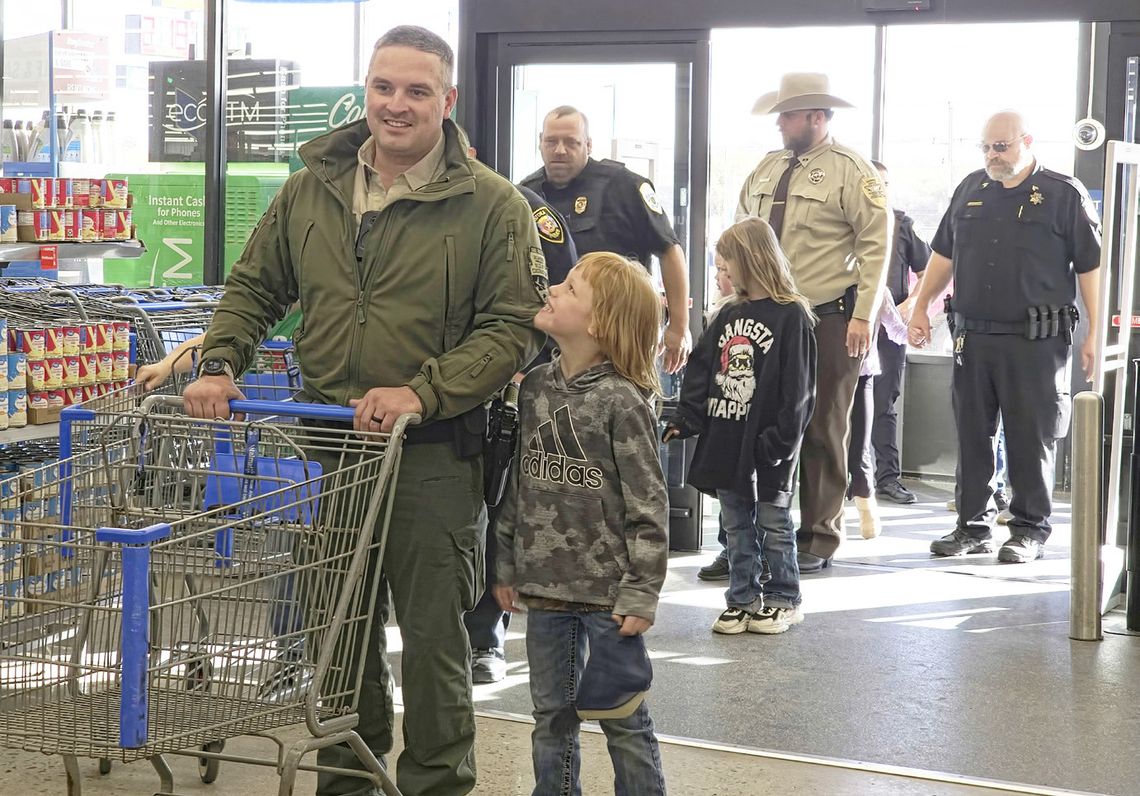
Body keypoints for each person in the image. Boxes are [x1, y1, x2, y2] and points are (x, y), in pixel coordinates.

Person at [182, 25, 546, 796]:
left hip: (435, 453)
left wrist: (424, 390)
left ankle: (437, 783)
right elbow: (254, 288)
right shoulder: (312, 186)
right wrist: (220, 364)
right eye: (384, 87)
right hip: (332, 446)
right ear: (367, 92)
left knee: (433, 642)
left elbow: (514, 329)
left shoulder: (493, 206)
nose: (397, 105)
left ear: (446, 103)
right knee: (337, 634)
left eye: (418, 91)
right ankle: (350, 779)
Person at [493, 252, 669, 795]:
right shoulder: (535, 387)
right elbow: (518, 485)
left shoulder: (622, 400)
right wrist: (504, 564)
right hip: (544, 588)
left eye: (569, 289)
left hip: (607, 596)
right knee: (551, 719)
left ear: (598, 323)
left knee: (623, 720)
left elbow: (649, 504)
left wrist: (641, 592)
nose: (552, 291)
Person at [909, 110, 1101, 564]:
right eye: (987, 148)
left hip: (1036, 341)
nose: (993, 156)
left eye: (1002, 147)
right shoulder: (970, 190)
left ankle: (1029, 528)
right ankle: (972, 526)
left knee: (1028, 436)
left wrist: (1093, 333)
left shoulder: (1062, 194)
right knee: (973, 435)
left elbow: (1091, 267)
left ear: (1027, 142)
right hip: (972, 338)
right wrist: (920, 307)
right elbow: (942, 256)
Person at [736, 72, 891, 573]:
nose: (779, 123)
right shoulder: (766, 168)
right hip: (766, 316)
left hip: (827, 316)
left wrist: (863, 315)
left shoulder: (852, 171)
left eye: (788, 114)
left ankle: (817, 537)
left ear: (817, 117)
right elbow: (741, 235)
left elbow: (875, 246)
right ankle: (747, 537)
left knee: (824, 425)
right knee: (756, 421)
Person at [665, 217, 816, 634]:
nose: (722, 273)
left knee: (773, 521)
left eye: (726, 264)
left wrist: (779, 442)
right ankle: (742, 598)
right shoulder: (725, 314)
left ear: (750, 260)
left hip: (771, 445)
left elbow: (800, 390)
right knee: (734, 522)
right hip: (728, 437)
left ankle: (785, 597)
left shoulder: (793, 316)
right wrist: (686, 418)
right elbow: (700, 374)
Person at [464, 173, 578, 685]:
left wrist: (517, 364)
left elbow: (553, 300)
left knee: (495, 502)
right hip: (420, 388)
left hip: (503, 384)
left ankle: (485, 637)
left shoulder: (519, 208)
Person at [520, 105, 692, 372]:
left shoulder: (624, 186)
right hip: (552, 348)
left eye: (571, 142)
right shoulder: (525, 195)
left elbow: (669, 250)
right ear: (540, 143)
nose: (560, 150)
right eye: (551, 141)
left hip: (619, 340)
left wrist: (679, 327)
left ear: (588, 144)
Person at [868, 160, 932, 506]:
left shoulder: (902, 225)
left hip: (888, 332)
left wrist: (908, 308)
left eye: (885, 184)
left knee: (883, 404)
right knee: (839, 405)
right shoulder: (843, 224)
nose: (881, 190)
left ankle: (887, 479)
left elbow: (929, 273)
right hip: (848, 325)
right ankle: (850, 478)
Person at [847, 290, 909, 538]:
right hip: (825, 376)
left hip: (862, 375)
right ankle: (831, 518)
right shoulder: (822, 282)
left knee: (859, 449)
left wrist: (914, 334)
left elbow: (894, 327)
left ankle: (866, 506)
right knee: (829, 449)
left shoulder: (875, 290)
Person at [696, 256, 742, 582]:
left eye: (724, 271)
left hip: (747, 420)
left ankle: (757, 554)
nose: (716, 278)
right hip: (720, 414)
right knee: (726, 496)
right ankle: (730, 548)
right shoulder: (717, 316)